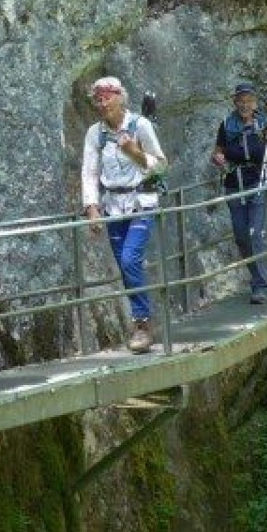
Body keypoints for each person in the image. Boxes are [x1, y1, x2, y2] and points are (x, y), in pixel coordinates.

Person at [81, 76, 167, 353]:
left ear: (121, 97)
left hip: (141, 200)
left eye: (107, 96)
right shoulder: (96, 133)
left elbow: (162, 166)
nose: (103, 102)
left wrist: (135, 153)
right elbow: (90, 172)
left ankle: (142, 324)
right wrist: (92, 208)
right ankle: (141, 320)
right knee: (125, 265)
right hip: (112, 206)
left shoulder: (140, 125)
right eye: (98, 98)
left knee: (131, 259)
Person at [211, 82, 267, 304]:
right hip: (234, 185)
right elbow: (217, 152)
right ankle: (259, 276)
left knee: (253, 233)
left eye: (248, 100)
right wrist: (218, 158)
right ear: (235, 102)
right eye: (241, 100)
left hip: (257, 183)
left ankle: (260, 285)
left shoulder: (264, 123)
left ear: (255, 102)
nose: (244, 104)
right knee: (241, 237)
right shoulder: (227, 125)